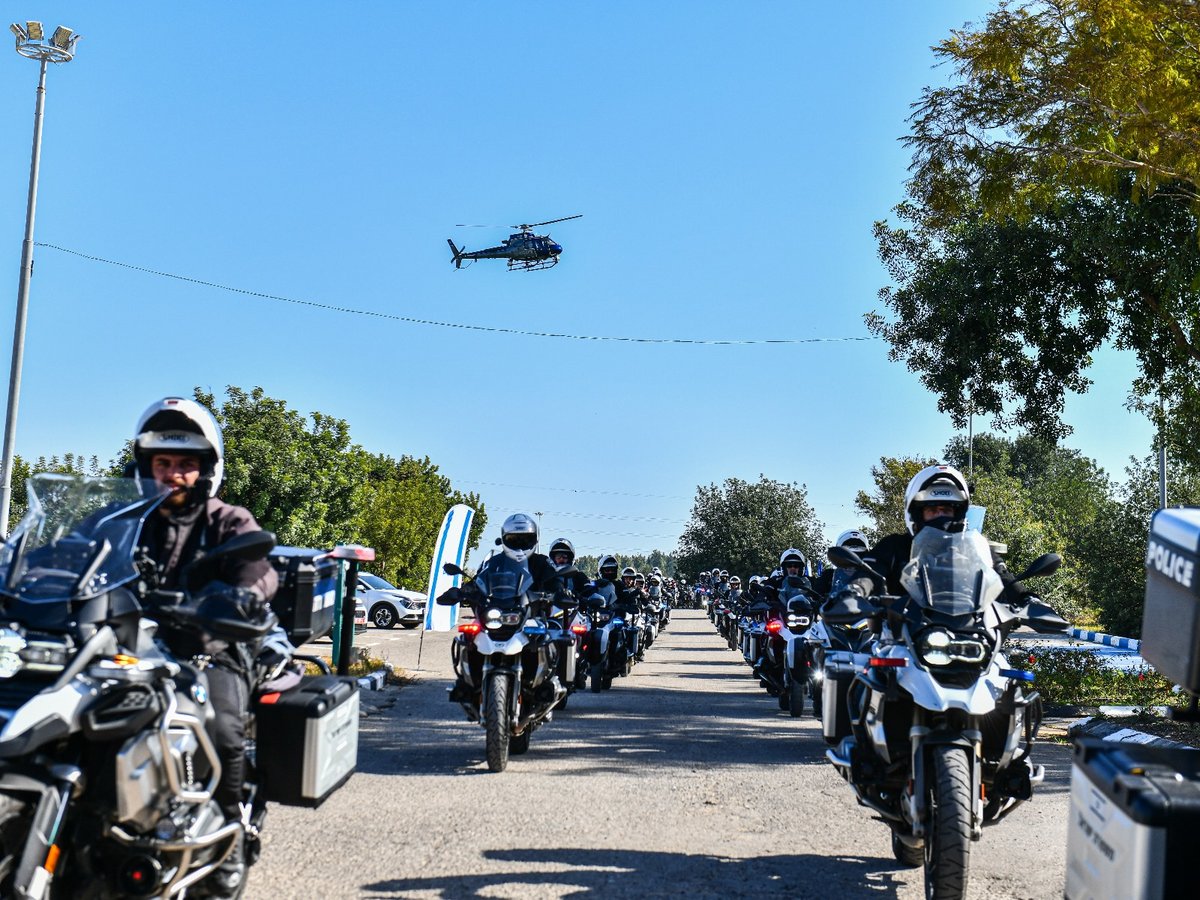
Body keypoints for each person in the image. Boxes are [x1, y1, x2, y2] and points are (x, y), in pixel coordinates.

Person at [133, 397, 281, 899]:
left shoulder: (228, 520)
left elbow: (259, 569)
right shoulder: (123, 520)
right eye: (163, 463)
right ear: (146, 466)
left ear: (206, 469)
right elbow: (71, 556)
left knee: (219, 725)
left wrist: (241, 594)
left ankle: (229, 827)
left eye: (186, 464)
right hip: (128, 650)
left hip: (209, 647)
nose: (174, 474)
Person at [829, 464, 1031, 616]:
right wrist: (854, 591)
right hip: (903, 640)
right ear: (917, 514)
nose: (940, 516)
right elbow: (870, 575)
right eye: (932, 510)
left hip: (972, 636)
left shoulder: (975, 549)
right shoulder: (895, 546)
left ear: (959, 514)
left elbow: (1003, 576)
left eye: (947, 510)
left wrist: (1028, 600)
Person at [812, 530, 870, 598]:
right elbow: (813, 598)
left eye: (858, 557)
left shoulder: (873, 580)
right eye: (846, 558)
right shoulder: (828, 577)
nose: (851, 563)